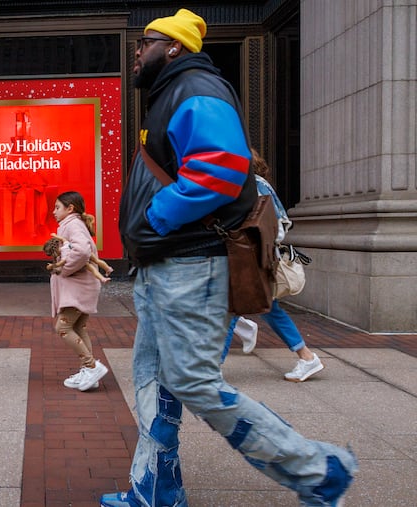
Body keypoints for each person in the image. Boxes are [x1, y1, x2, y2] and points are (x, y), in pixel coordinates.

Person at [103, 9, 356, 507]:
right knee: (154, 380)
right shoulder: (178, 93)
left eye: (146, 41)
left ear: (174, 47)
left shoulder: (194, 88)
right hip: (168, 265)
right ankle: (154, 490)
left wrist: (156, 217)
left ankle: (317, 469)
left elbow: (219, 171)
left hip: (189, 263)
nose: (137, 50)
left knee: (192, 382)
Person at [221, 150, 324, 382]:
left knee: (231, 309)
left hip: (252, 260)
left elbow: (275, 227)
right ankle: (307, 358)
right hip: (252, 258)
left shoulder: (256, 186)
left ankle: (212, 369)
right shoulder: (254, 185)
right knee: (269, 310)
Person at [49, 191, 108, 391]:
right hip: (82, 287)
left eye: (57, 207)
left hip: (78, 289)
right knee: (79, 328)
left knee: (63, 328)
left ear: (70, 208)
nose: (54, 211)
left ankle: (92, 367)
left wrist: (64, 268)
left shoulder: (72, 225)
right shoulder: (74, 224)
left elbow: (82, 251)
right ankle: (89, 373)